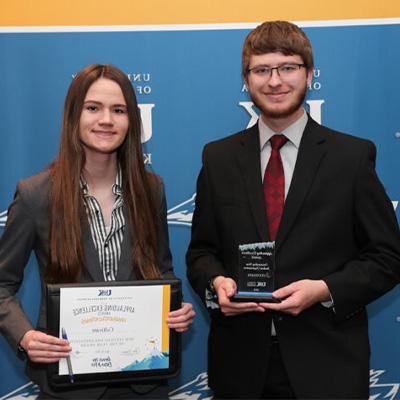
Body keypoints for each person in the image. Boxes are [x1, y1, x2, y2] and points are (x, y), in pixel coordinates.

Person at [186, 21, 400, 399]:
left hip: (327, 364)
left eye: (287, 67)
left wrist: (323, 289)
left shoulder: (350, 157)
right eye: (262, 70)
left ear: (309, 74)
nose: (275, 81)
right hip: (240, 366)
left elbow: (388, 257)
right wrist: (216, 284)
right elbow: (202, 252)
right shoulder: (217, 157)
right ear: (246, 79)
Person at [0, 64, 195, 399]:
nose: (106, 120)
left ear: (131, 121)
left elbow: (161, 270)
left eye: (118, 110)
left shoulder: (151, 190)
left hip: (143, 382)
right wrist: (26, 337)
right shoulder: (35, 195)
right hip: (68, 383)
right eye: (93, 108)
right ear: (74, 116)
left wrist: (175, 308)